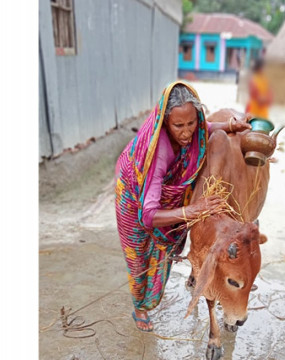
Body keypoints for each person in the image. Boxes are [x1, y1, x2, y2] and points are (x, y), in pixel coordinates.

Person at [114, 81, 251, 332]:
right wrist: (193, 210)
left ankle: (148, 299)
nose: (187, 133)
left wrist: (231, 126)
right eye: (178, 126)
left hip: (157, 199)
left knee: (162, 253)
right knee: (138, 259)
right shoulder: (160, 153)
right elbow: (148, 216)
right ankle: (139, 308)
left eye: (191, 123)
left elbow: (207, 128)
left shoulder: (195, 129)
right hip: (133, 198)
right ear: (165, 122)